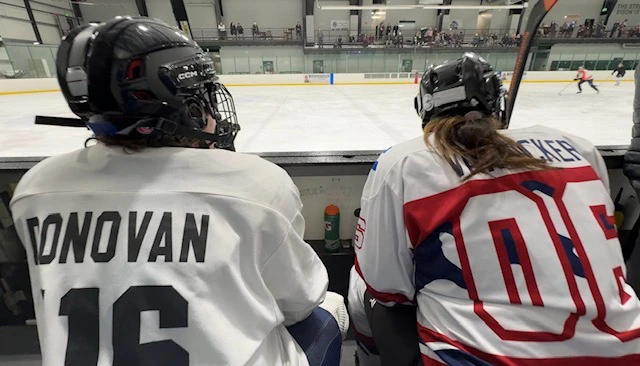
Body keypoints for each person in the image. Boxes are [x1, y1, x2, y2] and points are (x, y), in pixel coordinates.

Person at [10, 17, 348, 366]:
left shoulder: (33, 191)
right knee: (332, 306)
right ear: (188, 108)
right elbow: (301, 301)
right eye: (203, 97)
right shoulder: (256, 184)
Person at [348, 52, 640, 365]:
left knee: (359, 283)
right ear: (497, 103)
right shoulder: (581, 148)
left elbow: (387, 288)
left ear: (425, 109)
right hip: (624, 353)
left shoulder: (404, 162)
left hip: (479, 357)